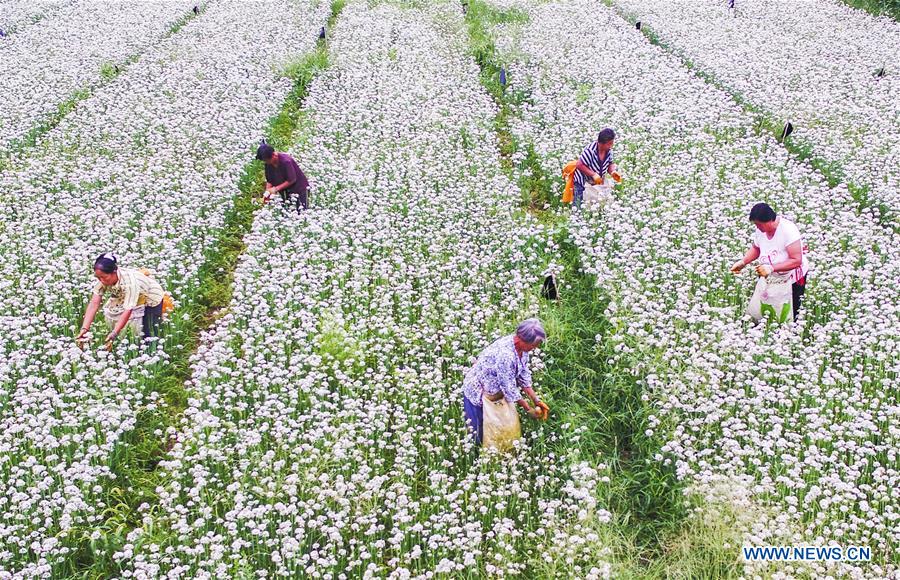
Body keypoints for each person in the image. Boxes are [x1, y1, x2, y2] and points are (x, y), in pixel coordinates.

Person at [462, 319, 550, 447]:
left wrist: (536, 400)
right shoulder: (506, 355)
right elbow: (508, 386)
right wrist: (528, 409)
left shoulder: (522, 349)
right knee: (479, 432)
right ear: (521, 339)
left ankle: (501, 454)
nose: (535, 348)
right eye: (533, 345)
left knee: (500, 427)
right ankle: (477, 455)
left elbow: (523, 373)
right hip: (478, 393)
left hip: (495, 394)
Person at [731, 203, 809, 321]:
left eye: (759, 224)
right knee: (766, 304)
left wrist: (771, 268)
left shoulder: (787, 230)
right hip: (769, 274)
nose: (757, 227)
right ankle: (765, 326)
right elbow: (756, 248)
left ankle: (787, 332)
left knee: (789, 310)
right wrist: (743, 262)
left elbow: (796, 260)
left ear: (769, 220)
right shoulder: (761, 231)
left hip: (792, 278)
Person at [76, 253, 166, 349]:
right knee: (118, 320)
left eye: (104, 277)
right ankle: (126, 345)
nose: (101, 281)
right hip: (127, 295)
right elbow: (94, 303)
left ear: (114, 272)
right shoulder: (105, 279)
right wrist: (84, 328)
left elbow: (128, 310)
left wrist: (114, 333)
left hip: (151, 298)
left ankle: (152, 351)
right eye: (98, 278)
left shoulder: (130, 283)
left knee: (149, 332)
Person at [573, 128, 619, 209]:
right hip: (583, 181)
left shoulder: (609, 151)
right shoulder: (590, 151)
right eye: (609, 144)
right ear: (601, 143)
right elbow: (579, 165)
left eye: (612, 143)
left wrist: (612, 172)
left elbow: (609, 164)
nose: (611, 146)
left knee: (598, 201)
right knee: (579, 205)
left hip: (596, 181)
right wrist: (593, 174)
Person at [257, 143, 310, 212]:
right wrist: (267, 193)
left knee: (301, 212)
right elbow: (269, 180)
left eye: (267, 160)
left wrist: (276, 189)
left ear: (273, 155)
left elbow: (292, 179)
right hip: (285, 193)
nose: (266, 162)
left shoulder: (286, 161)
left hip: (299, 191)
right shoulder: (268, 164)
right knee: (287, 213)